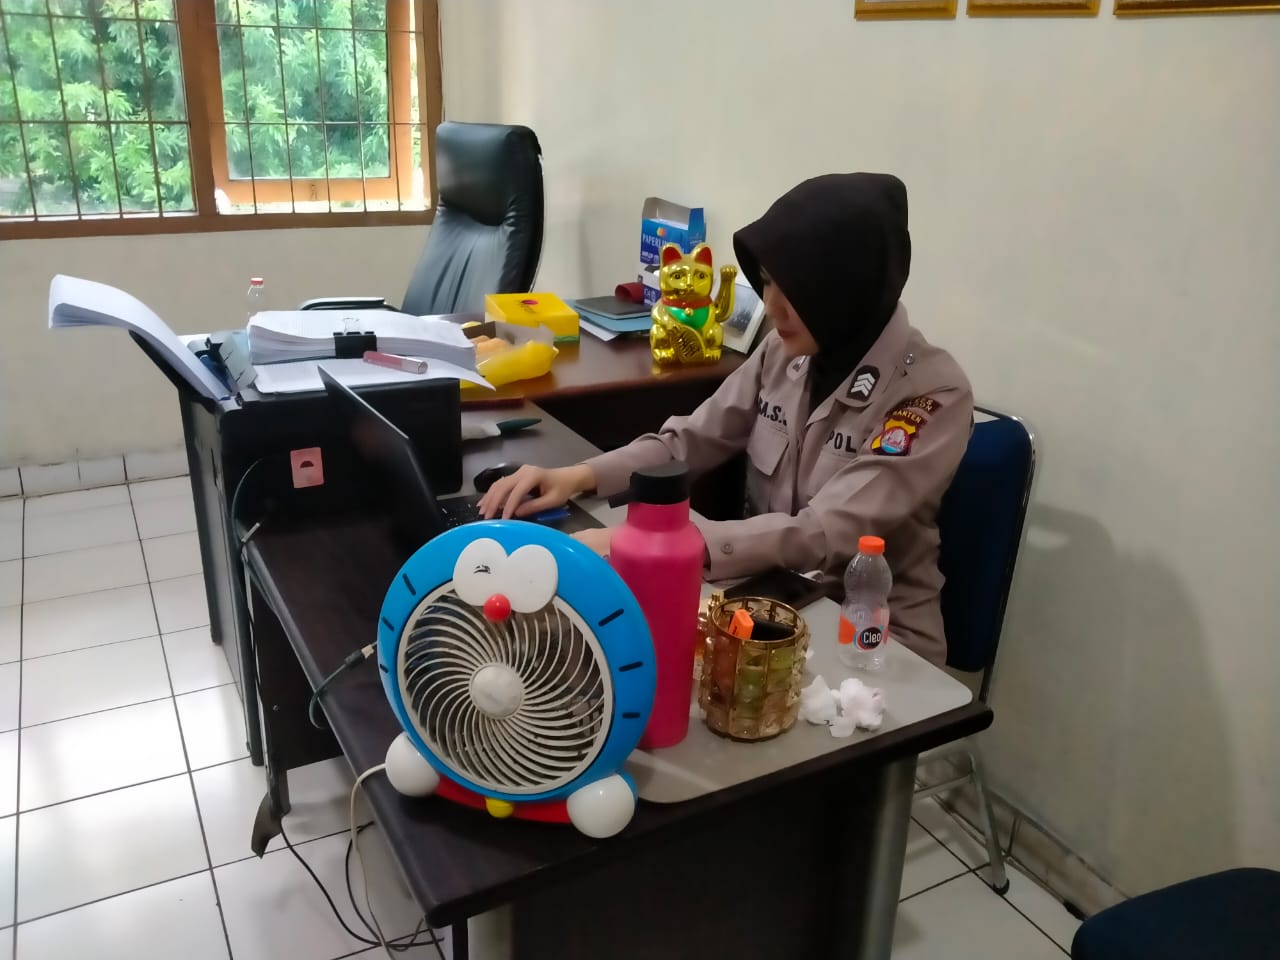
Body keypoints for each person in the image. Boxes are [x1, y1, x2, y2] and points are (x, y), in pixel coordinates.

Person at [478, 173, 972, 665]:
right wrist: (577, 476)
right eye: (769, 282)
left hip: (873, 641)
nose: (772, 306)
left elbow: (823, 530)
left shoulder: (932, 393)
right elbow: (687, 442)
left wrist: (660, 544)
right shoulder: (785, 351)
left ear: (848, 289)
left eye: (796, 290)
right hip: (770, 607)